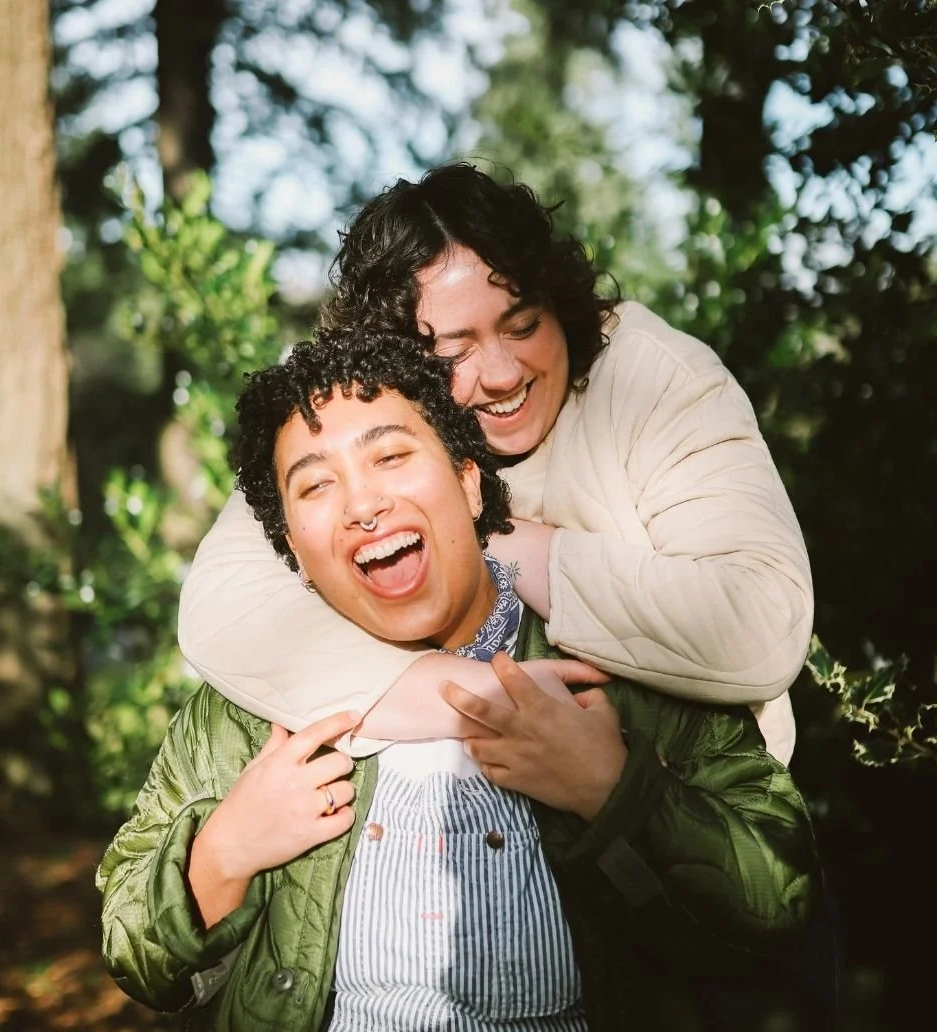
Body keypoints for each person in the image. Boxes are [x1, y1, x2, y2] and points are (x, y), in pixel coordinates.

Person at [99, 333, 827, 1032]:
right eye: (316, 485)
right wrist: (220, 852)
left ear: (470, 483)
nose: (361, 506)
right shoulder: (258, 698)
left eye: (391, 458)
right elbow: (133, 948)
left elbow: (780, 892)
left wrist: (616, 788)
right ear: (293, 545)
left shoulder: (613, 669)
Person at [177, 163, 813, 768]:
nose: (505, 373)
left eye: (523, 323)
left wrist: (496, 534)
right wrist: (474, 699)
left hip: (692, 816)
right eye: (455, 352)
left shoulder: (654, 379)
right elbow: (222, 612)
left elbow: (761, 628)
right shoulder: (356, 427)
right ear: (396, 370)